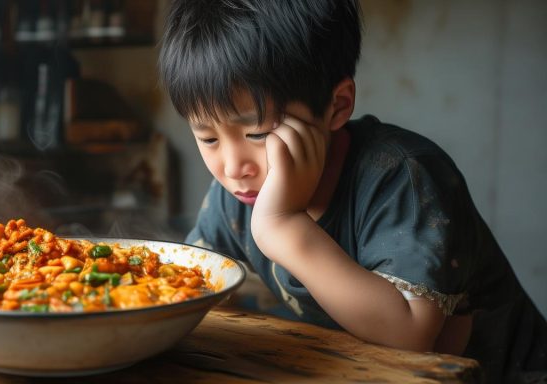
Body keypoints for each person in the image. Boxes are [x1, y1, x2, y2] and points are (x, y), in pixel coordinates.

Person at [158, 0, 547, 382]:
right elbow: (189, 286)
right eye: (208, 138)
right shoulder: (239, 193)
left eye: (257, 133)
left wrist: (283, 226)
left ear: (337, 106)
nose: (232, 167)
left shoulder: (403, 176)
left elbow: (410, 336)